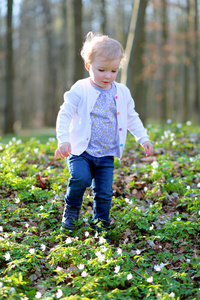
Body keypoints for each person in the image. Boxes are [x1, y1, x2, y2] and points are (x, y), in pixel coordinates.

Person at [55, 32, 153, 236]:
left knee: (105, 192)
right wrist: (63, 140)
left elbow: (131, 117)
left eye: (113, 70)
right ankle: (71, 211)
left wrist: (143, 137)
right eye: (101, 70)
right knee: (80, 179)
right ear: (88, 66)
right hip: (81, 151)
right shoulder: (80, 89)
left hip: (107, 154)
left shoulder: (122, 92)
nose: (107, 75)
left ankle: (100, 223)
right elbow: (64, 114)